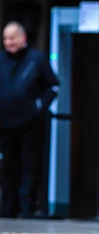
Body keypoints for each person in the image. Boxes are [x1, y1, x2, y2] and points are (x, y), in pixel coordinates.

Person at [0, 21, 59, 217]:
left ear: (22, 38)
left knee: (30, 165)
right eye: (6, 38)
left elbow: (53, 87)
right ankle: (7, 207)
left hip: (30, 124)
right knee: (7, 166)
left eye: (12, 38)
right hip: (4, 125)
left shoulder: (37, 59)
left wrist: (38, 106)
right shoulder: (1, 59)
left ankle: (27, 208)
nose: (9, 42)